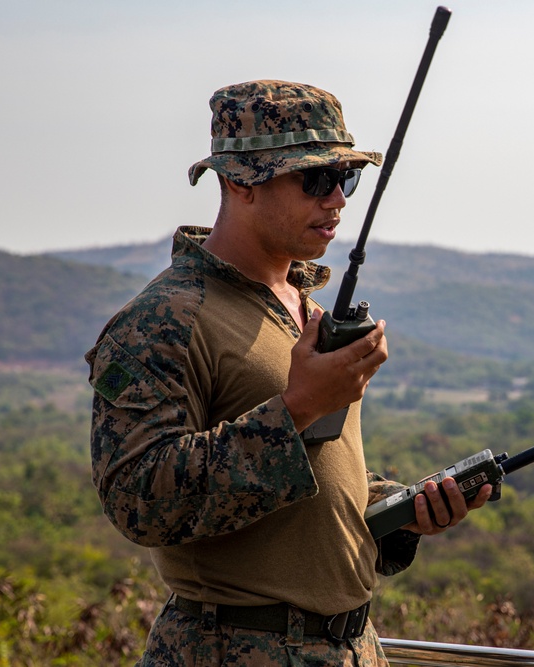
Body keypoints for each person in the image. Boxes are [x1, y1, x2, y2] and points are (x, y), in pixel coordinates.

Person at [86, 79, 492, 666]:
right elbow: (139, 502)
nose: (338, 200)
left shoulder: (305, 313)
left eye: (345, 179)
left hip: (352, 649)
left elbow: (313, 481)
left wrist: (404, 508)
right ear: (239, 182)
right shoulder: (165, 321)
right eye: (316, 180)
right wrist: (300, 405)